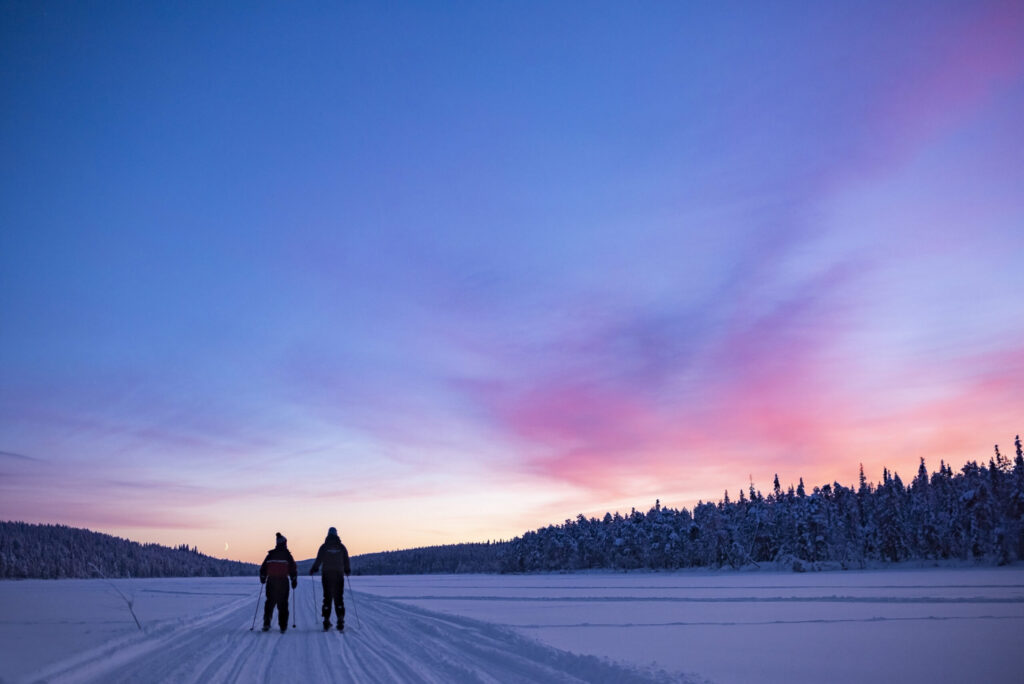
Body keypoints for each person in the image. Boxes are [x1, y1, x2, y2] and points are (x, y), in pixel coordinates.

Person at [310, 526, 351, 631]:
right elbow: (346, 559)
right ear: (336, 534)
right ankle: (340, 620)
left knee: (327, 597)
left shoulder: (324, 547)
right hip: (338, 574)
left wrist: (314, 569)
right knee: (339, 598)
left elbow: (319, 559)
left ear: (328, 534)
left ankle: (326, 620)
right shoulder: (341, 547)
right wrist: (347, 569)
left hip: (327, 574)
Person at [259, 532, 297, 633]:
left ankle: (267, 623)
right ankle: (283, 626)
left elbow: (263, 568)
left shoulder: (270, 555)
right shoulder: (287, 555)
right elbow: (293, 568)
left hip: (271, 581)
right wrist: (294, 579)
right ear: (284, 543)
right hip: (283, 582)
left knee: (270, 602)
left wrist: (263, 577)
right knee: (283, 603)